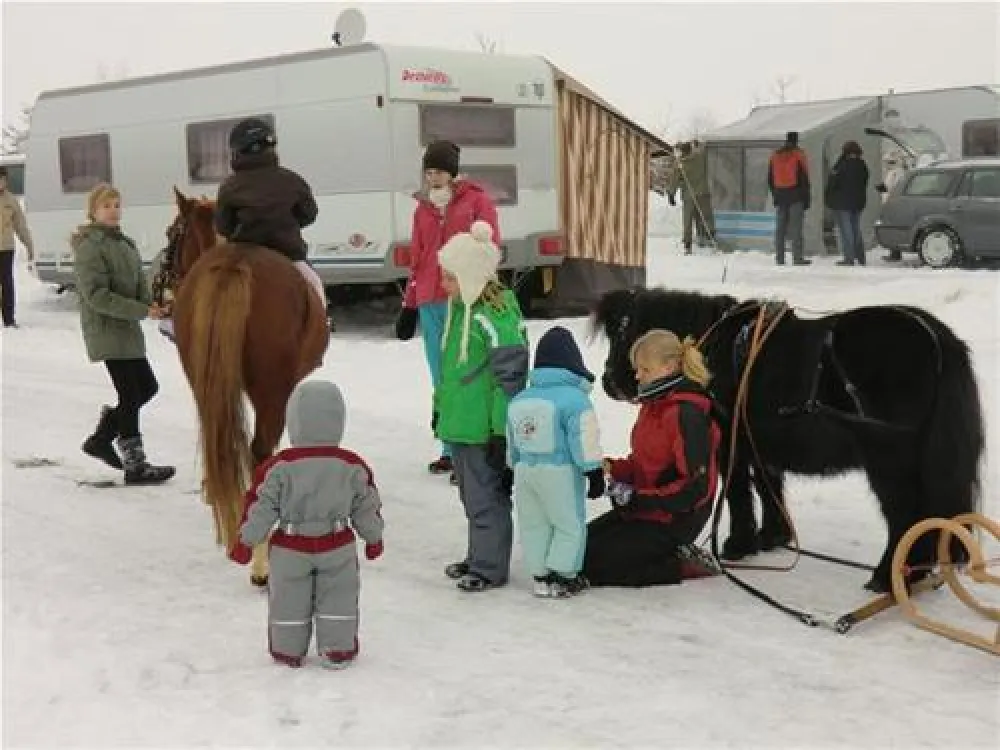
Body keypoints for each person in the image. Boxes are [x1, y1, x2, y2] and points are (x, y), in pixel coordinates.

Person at [228, 379, 384, 669]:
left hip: (290, 547)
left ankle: (288, 649)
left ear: (293, 421)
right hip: (337, 544)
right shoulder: (351, 465)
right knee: (339, 597)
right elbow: (367, 505)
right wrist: (374, 538)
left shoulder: (279, 467)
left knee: (287, 599)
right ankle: (337, 648)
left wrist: (246, 541)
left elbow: (261, 506)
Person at [157, 117, 324, 342]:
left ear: (237, 152)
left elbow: (224, 227)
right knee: (314, 285)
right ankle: (320, 327)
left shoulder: (230, 186)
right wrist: (288, 224)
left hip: (245, 257)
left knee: (210, 290)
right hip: (289, 256)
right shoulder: (293, 180)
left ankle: (182, 324)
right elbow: (310, 214)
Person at [582, 329, 723, 588]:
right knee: (574, 550)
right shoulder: (653, 405)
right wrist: (612, 468)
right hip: (644, 510)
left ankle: (680, 564)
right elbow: (644, 464)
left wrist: (639, 498)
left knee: (592, 565)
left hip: (674, 520)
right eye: (637, 369)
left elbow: (695, 488)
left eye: (644, 369)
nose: (637, 376)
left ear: (668, 367)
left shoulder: (686, 414)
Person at [433, 220, 528, 593]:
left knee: (487, 498)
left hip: (483, 429)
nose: (443, 284)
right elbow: (453, 372)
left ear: (471, 276)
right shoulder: (461, 310)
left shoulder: (493, 315)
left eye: (450, 278)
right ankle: (479, 556)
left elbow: (510, 379)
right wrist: (440, 410)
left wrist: (500, 432)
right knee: (472, 497)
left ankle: (489, 567)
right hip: (461, 423)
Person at [398, 139, 501, 479]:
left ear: (452, 173)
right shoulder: (422, 209)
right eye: (428, 172)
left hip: (464, 300)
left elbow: (490, 248)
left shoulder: (476, 201)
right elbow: (417, 259)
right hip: (431, 301)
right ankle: (450, 447)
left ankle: (474, 448)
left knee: (468, 373)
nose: (433, 178)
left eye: (439, 171)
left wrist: (482, 288)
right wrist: (409, 305)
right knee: (441, 377)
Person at [72, 183, 175, 485]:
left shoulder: (125, 244)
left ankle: (102, 438)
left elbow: (139, 284)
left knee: (147, 387)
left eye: (116, 205)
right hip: (106, 330)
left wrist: (153, 305)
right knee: (130, 394)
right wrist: (140, 310)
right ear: (93, 211)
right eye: (106, 206)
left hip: (126, 328)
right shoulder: (90, 247)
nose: (113, 211)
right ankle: (135, 465)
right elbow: (96, 296)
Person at [507, 326, 605, 598]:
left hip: (525, 472)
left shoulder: (520, 399)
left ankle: (540, 575)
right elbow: (584, 436)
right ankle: (563, 575)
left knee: (534, 523)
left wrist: (510, 467)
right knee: (568, 523)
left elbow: (512, 439)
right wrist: (593, 470)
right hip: (560, 472)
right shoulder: (575, 400)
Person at [767, 131, 812, 266]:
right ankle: (797, 258)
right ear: (796, 140)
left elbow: (770, 178)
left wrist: (775, 194)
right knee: (796, 228)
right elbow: (804, 178)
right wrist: (806, 199)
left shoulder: (775, 155)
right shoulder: (799, 155)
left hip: (780, 196)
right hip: (796, 195)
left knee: (780, 229)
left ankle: (780, 258)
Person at [0, 165, 35, 328]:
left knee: (7, 283)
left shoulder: (11, 201)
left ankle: (9, 319)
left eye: (2, 179)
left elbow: (20, 226)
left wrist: (29, 245)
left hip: (6, 248)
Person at [825, 140, 870, 266]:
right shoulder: (862, 165)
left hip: (842, 203)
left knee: (846, 231)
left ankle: (849, 258)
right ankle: (860, 257)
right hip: (858, 202)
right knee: (856, 229)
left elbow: (833, 182)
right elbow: (864, 182)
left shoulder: (841, 165)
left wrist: (829, 198)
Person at [668, 141, 716, 254]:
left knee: (688, 219)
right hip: (703, 193)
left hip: (688, 196)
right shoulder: (699, 158)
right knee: (705, 216)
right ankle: (709, 236)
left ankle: (688, 244)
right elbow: (703, 149)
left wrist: (671, 194)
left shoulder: (680, 163)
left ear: (682, 151)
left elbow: (674, 180)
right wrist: (698, 143)